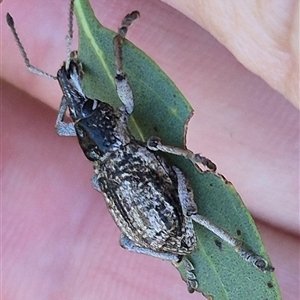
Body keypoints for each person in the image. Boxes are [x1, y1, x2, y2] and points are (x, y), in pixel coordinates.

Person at [2, 0, 298, 299]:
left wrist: (72, 101)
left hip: (147, 229)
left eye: (86, 109)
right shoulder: (125, 150)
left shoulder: (106, 163)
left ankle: (179, 259)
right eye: (87, 111)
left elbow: (61, 127)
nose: (85, 107)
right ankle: (238, 251)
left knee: (131, 240)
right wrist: (78, 93)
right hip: (165, 220)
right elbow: (107, 102)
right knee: (188, 209)